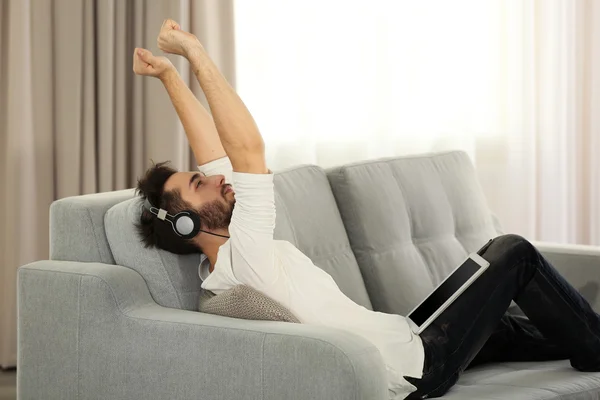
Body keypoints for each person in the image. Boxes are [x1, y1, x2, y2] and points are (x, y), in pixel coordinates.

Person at [134, 19, 600, 400]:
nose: (219, 177)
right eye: (200, 183)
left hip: (413, 329)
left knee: (521, 329)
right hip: (420, 364)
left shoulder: (223, 264)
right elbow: (246, 150)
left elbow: (217, 154)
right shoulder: (246, 258)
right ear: (188, 221)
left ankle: (582, 340)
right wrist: (194, 52)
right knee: (511, 251)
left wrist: (169, 77)